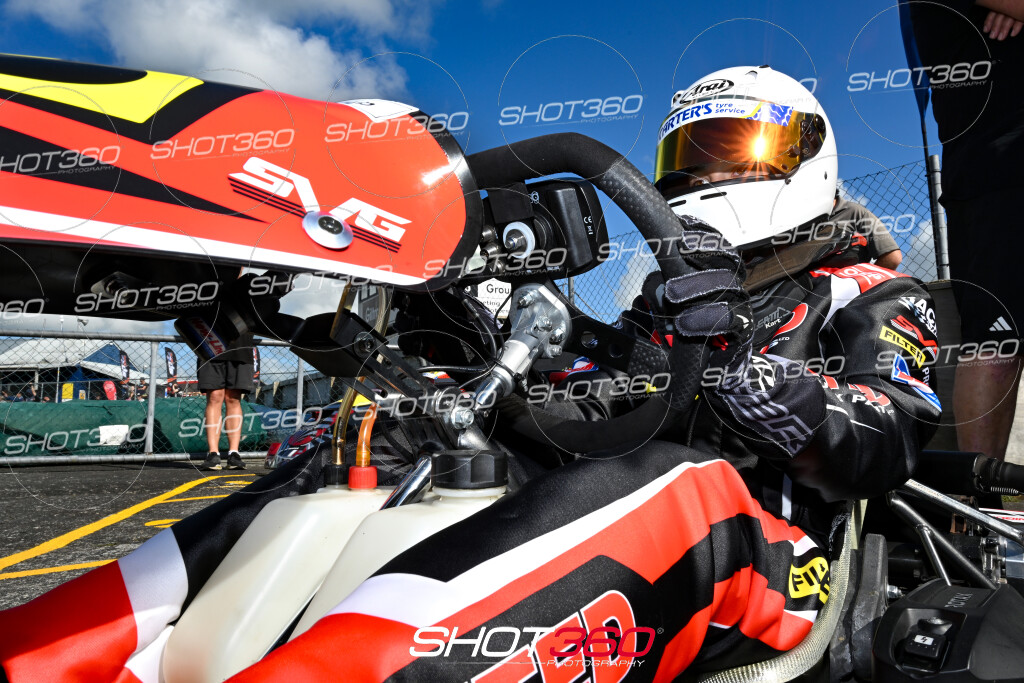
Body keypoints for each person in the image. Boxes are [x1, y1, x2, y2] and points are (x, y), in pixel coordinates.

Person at [233, 67, 941, 681]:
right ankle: (183, 628)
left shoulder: (872, 292)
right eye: (688, 159)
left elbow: (881, 439)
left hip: (790, 563)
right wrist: (474, 343)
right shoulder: (667, 297)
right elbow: (593, 408)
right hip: (642, 520)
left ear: (808, 157)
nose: (703, 177)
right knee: (413, 439)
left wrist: (733, 367)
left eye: (730, 153)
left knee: (682, 483)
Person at [910, 0, 1024, 461]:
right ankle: (979, 498)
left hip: (993, 168)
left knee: (997, 342)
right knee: (995, 341)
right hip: (997, 170)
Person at [197, 331, 255, 471]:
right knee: (214, 396)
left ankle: (234, 454)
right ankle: (213, 454)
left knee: (233, 398)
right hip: (210, 344)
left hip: (240, 347)